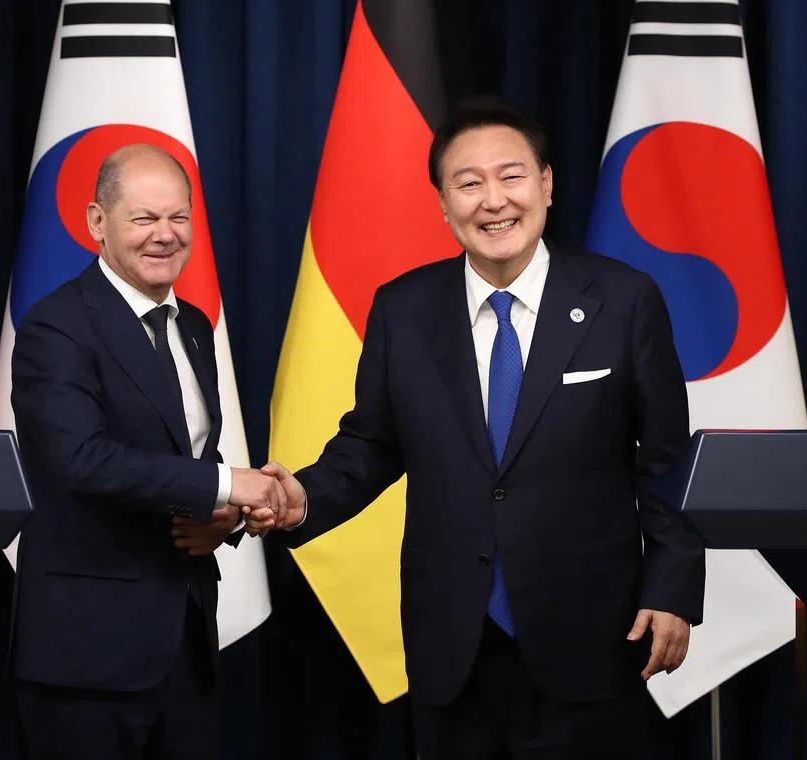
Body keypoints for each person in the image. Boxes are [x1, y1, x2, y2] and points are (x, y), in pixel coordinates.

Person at [251, 97, 706, 758]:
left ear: (546, 184)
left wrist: (672, 589)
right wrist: (303, 500)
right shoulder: (403, 310)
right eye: (468, 183)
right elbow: (372, 446)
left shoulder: (624, 300)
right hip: (451, 642)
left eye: (511, 176)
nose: (493, 200)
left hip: (590, 634)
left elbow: (666, 461)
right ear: (442, 203)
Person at [7, 143, 282, 760]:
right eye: (144, 218)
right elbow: (79, 458)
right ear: (96, 223)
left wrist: (222, 518)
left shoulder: (192, 327)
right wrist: (226, 485)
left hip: (185, 642)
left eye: (178, 218)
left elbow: (181, 461)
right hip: (89, 655)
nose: (165, 235)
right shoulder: (57, 325)